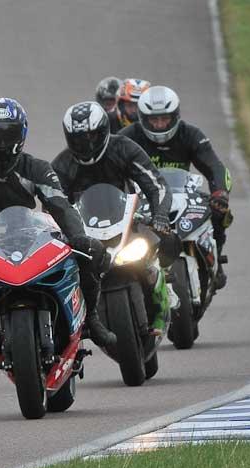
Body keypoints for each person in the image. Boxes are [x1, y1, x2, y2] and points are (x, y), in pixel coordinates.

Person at [0, 97, 117, 347]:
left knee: (89, 251)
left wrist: (79, 238)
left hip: (30, 235)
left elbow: (61, 206)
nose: (1, 142)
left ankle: (91, 320)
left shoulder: (37, 167)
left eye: (8, 134)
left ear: (21, 134)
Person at [52, 101, 176, 334]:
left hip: (129, 220)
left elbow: (156, 184)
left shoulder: (124, 148)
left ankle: (162, 297)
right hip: (86, 231)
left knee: (163, 241)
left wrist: (160, 215)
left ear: (103, 131)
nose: (86, 144)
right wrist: (58, 232)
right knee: (65, 268)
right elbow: (53, 205)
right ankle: (81, 322)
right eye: (78, 139)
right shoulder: (62, 165)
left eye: (91, 136)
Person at [120, 85, 232, 288]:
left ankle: (216, 259)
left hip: (183, 194)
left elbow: (215, 166)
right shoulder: (127, 137)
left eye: (165, 119)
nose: (159, 125)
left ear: (175, 116)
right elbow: (111, 168)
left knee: (220, 211)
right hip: (143, 198)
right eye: (154, 120)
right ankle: (127, 275)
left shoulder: (190, 134)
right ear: (143, 118)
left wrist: (220, 192)